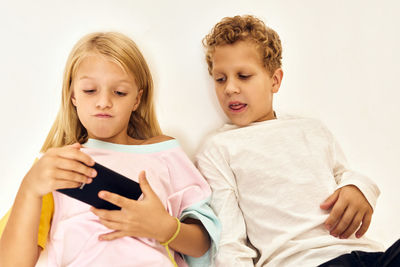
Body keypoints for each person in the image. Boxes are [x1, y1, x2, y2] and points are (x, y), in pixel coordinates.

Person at [0, 31, 220, 267]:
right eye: (90, 90)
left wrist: (164, 228)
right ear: (72, 95)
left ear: (136, 99)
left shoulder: (164, 153)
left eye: (119, 92)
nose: (104, 101)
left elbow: (202, 245)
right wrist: (30, 188)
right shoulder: (57, 165)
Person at [195, 15, 400, 266]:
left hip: (370, 254)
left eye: (244, 76)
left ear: (275, 80)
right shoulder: (218, 148)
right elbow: (228, 237)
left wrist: (359, 188)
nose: (230, 88)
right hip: (304, 261)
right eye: (220, 79)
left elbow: (344, 176)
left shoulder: (311, 129)